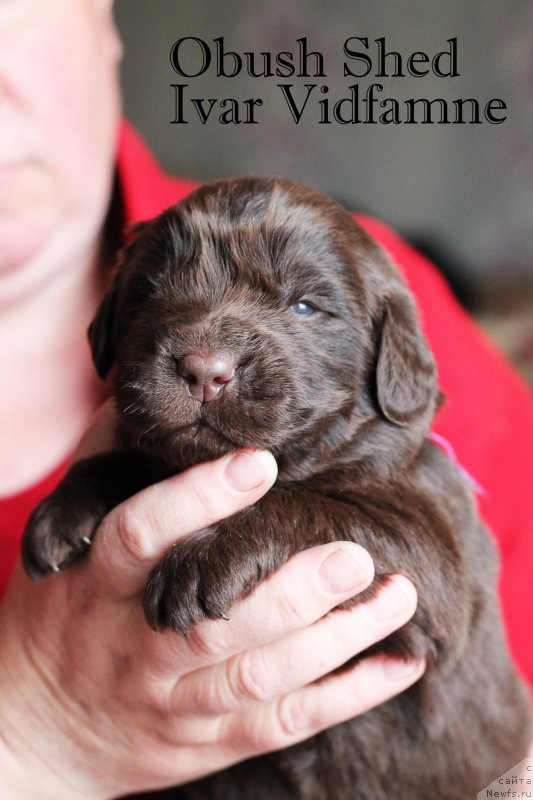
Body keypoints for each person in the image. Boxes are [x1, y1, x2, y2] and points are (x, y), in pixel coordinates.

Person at [0, 2, 531, 798]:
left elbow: (435, 598)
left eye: (306, 307)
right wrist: (27, 733)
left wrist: (267, 531)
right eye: (162, 292)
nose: (206, 355)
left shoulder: (398, 415)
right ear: (109, 328)